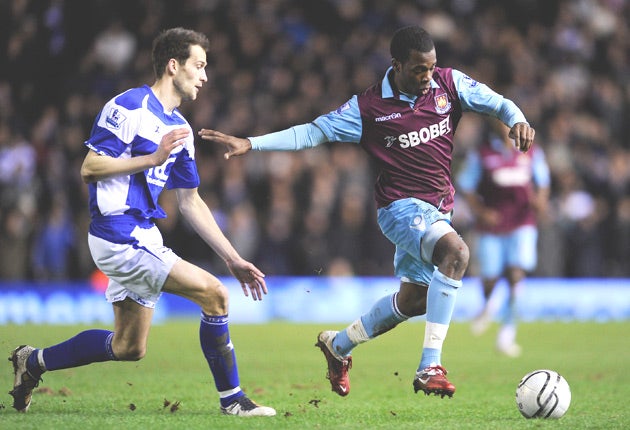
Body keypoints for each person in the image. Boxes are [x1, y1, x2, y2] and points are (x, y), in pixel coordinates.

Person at [199, 25, 535, 399]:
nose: (428, 77)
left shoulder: (449, 84)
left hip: (439, 207)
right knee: (456, 253)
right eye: (419, 70)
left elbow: (499, 102)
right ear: (397, 65)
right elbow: (313, 132)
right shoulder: (368, 108)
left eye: (432, 67)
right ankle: (430, 365)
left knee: (415, 300)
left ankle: (338, 345)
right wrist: (251, 143)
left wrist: (517, 118)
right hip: (400, 208)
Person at [8, 27, 276, 417]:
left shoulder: (181, 130)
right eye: (198, 65)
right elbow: (90, 167)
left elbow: (191, 201)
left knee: (128, 347)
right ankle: (233, 400)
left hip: (142, 234)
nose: (205, 75)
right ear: (173, 65)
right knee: (215, 295)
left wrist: (233, 257)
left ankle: (31, 362)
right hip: (117, 234)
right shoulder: (128, 107)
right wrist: (150, 159)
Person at [457, 118, 550, 357]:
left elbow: (543, 182)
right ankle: (489, 303)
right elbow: (465, 185)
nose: (508, 127)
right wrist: (481, 211)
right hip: (493, 224)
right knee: (490, 279)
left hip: (522, 222)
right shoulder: (483, 153)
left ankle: (507, 334)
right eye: (503, 122)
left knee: (516, 274)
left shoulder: (531, 152)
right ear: (497, 126)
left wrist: (540, 200)